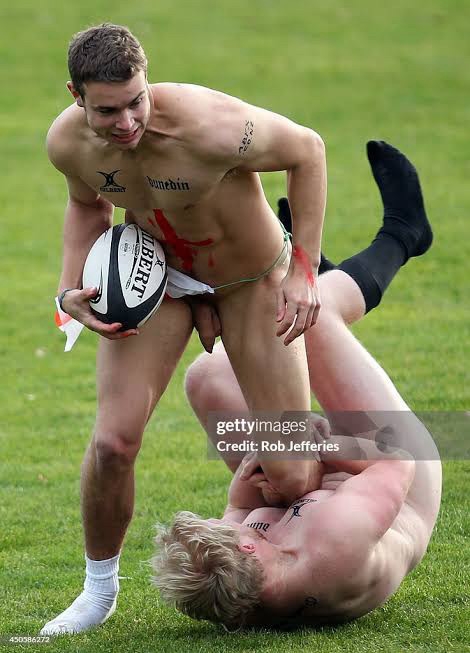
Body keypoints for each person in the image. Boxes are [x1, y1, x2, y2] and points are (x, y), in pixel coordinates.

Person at [41, 22, 327, 635]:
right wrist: (68, 291)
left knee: (291, 476)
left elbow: (308, 150)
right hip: (161, 280)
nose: (127, 122)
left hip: (249, 281)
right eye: (107, 111)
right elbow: (88, 205)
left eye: (136, 101)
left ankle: (369, 455)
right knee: (114, 443)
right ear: (76, 96)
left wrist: (304, 271)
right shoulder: (68, 144)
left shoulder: (213, 126)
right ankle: (97, 591)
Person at [153, 143, 441, 628]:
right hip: (397, 474)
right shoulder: (332, 545)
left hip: (320, 478)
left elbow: (240, 505)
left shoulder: (236, 583)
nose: (236, 527)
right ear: (250, 549)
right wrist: (309, 443)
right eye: (243, 533)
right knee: (306, 316)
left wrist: (256, 468)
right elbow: (395, 462)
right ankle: (402, 234)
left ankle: (315, 269)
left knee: (207, 378)